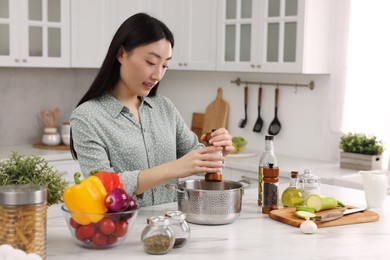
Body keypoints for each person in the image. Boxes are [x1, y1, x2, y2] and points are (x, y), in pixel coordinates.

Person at [70, 13, 233, 207]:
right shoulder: (87, 117)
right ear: (121, 54)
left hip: (173, 227)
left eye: (165, 65)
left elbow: (193, 158)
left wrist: (215, 153)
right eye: (151, 63)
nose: (158, 75)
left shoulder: (164, 107)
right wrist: (172, 169)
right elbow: (100, 188)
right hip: (124, 230)